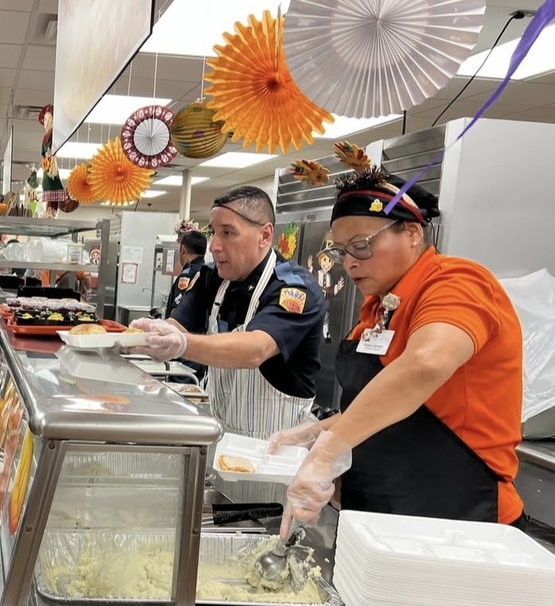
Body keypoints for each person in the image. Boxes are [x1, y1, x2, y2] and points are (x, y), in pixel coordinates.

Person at [270, 162, 535, 540]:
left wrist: (325, 454)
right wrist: (313, 432)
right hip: (383, 520)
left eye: (361, 245)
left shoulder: (457, 282)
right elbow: (394, 414)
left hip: (462, 524)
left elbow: (425, 364)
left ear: (411, 232)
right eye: (341, 250)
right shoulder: (378, 309)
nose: (349, 262)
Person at [131, 186, 326, 445]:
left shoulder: (294, 289)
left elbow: (254, 349)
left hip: (276, 450)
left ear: (265, 235)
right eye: (213, 232)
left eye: (228, 233)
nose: (214, 246)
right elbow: (177, 323)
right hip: (220, 439)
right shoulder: (213, 279)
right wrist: (150, 334)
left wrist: (182, 343)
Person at [165, 230, 207, 319]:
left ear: (183, 250)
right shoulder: (207, 272)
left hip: (183, 329)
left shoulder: (187, 275)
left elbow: (177, 311)